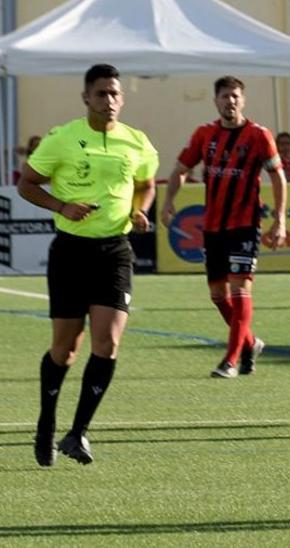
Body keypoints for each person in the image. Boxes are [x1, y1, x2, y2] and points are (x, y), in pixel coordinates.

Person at [18, 64, 159, 466]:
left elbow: (146, 184)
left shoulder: (137, 142)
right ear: (85, 97)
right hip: (71, 252)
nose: (109, 101)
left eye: (115, 94)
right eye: (101, 94)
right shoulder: (62, 138)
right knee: (65, 349)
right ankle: (46, 422)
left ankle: (77, 433)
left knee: (108, 343)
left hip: (115, 251)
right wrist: (62, 206)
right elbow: (27, 182)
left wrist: (138, 211)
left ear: (122, 98)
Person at [161, 76, 288, 378]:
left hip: (245, 225)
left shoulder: (259, 135)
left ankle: (230, 360)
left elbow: (278, 176)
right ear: (215, 101)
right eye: (224, 96)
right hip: (214, 227)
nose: (230, 101)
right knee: (218, 295)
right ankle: (250, 343)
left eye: (235, 96)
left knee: (240, 288)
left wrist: (279, 220)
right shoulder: (205, 134)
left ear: (242, 100)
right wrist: (168, 202)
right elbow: (181, 169)